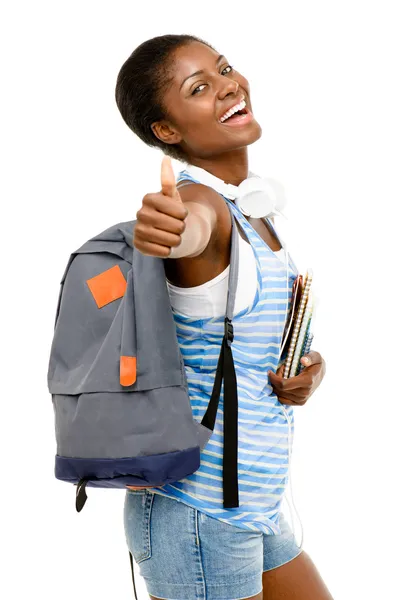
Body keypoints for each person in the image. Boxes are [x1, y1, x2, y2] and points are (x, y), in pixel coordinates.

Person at [115, 34, 330, 600]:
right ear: (168, 131)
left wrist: (308, 369)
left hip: (254, 502)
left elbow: (253, 345)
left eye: (225, 69)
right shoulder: (204, 206)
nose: (229, 85)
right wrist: (167, 227)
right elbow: (189, 231)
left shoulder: (254, 211)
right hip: (200, 515)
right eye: (200, 88)